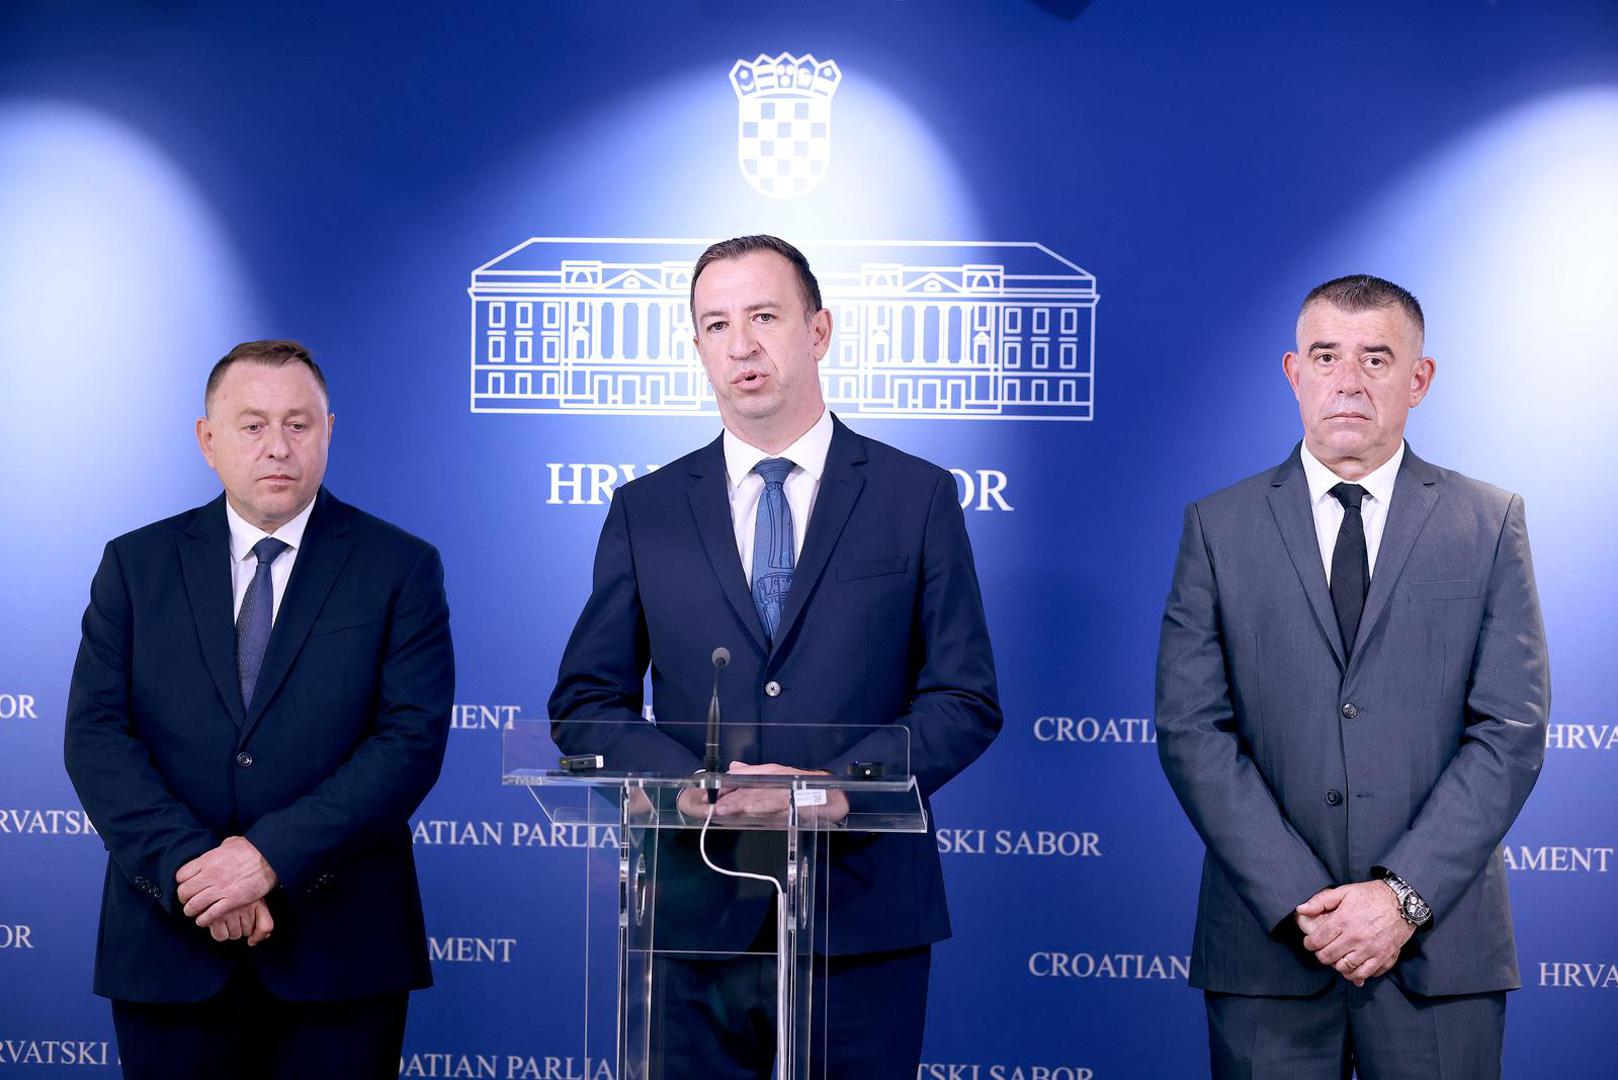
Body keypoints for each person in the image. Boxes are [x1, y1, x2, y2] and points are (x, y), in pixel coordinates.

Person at [549, 235, 1001, 1077]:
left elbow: (963, 698)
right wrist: (685, 786)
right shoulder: (646, 509)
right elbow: (584, 704)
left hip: (860, 918)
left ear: (818, 331)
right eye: (717, 325)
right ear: (697, 347)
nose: (741, 346)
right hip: (689, 919)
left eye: (764, 316)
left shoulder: (916, 496)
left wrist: (838, 789)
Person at [1154, 276, 1549, 1078]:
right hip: (1270, 951)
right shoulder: (1218, 526)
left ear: (1419, 378)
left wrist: (1400, 899)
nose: (1349, 381)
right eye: (1326, 356)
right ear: (1294, 372)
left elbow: (1509, 730)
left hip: (1439, 953)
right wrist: (1307, 905)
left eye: (1376, 358)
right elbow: (1192, 729)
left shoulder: (1489, 522)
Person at [64, 340, 455, 1080]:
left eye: (298, 424)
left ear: (328, 432)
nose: (278, 446)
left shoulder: (400, 567)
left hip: (341, 948)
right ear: (207, 439)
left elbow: (408, 743)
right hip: (169, 944)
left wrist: (266, 859)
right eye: (252, 425)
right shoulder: (135, 565)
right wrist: (197, 875)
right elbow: (96, 738)